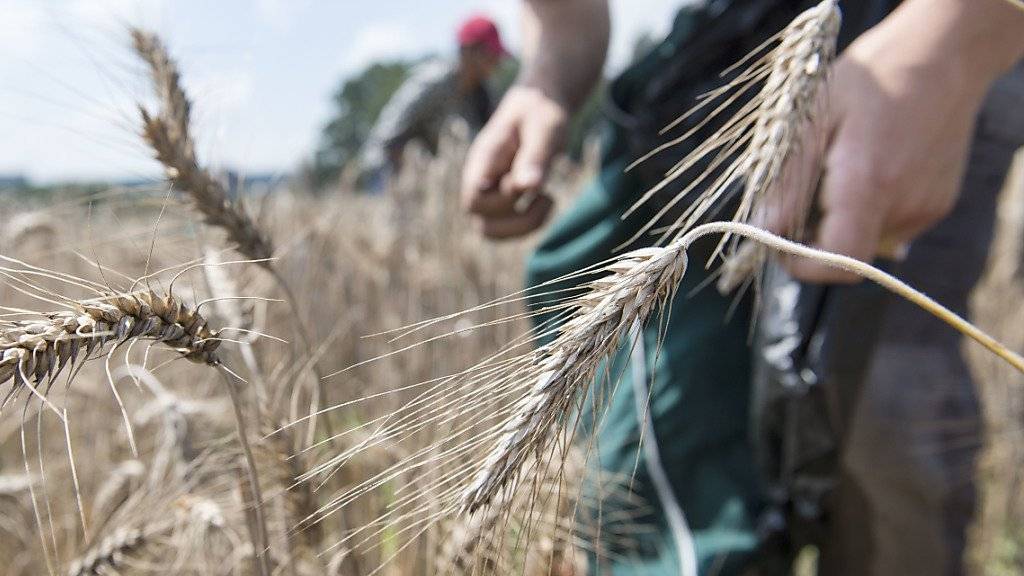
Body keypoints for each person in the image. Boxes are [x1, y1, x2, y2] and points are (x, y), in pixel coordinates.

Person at [460, 0, 1024, 574]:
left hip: (939, 38)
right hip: (719, 60)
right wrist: (548, 76)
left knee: (884, 430)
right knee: (663, 461)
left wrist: (959, 32)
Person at [359, 15, 508, 189]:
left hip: (439, 179)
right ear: (468, 51)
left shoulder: (483, 95)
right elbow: (389, 135)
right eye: (491, 54)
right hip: (391, 172)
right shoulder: (432, 83)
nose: (497, 62)